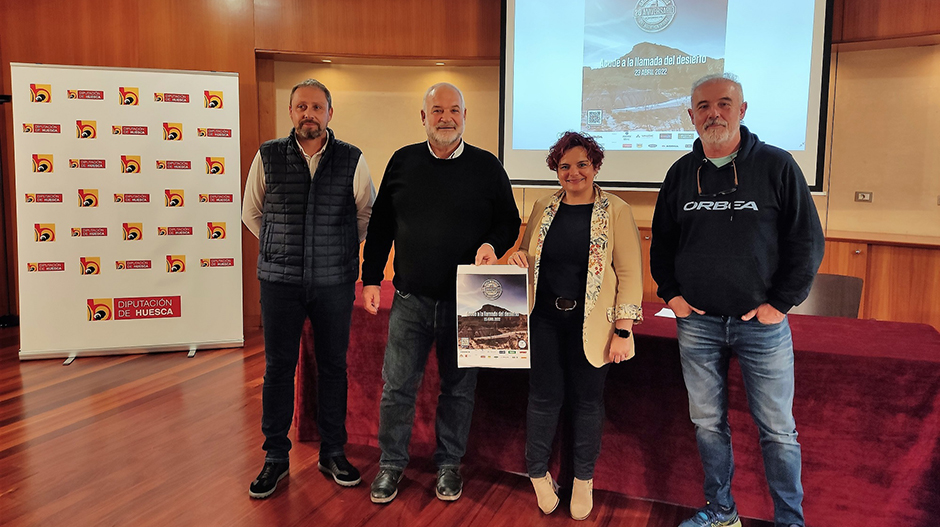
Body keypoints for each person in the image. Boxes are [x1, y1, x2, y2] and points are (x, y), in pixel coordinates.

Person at [650, 74, 824, 527]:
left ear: (742, 111)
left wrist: (780, 304)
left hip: (762, 326)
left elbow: (806, 242)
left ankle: (790, 520)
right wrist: (672, 295)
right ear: (691, 116)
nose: (714, 113)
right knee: (708, 424)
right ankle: (723, 512)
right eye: (703, 107)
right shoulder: (680, 175)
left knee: (778, 430)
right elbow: (662, 245)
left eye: (724, 104)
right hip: (698, 326)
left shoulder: (776, 165)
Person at [360, 82, 521, 504]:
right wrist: (372, 277)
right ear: (423, 116)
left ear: (465, 116)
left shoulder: (487, 166)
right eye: (437, 110)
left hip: (470, 301)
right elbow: (380, 228)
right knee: (397, 388)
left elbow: (508, 221)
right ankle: (390, 465)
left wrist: (492, 244)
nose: (445, 117)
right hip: (410, 300)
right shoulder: (402, 161)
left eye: (454, 110)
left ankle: (449, 464)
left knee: (459, 389)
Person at [242, 78, 376, 499]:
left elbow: (365, 215)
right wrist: (283, 248)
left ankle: (333, 451)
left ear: (330, 113)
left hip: (334, 282)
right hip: (279, 282)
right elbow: (252, 213)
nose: (309, 114)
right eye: (301, 107)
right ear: (291, 112)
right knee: (278, 368)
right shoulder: (267, 156)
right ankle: (275, 457)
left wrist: (332, 250)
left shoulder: (352, 159)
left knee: (334, 367)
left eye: (317, 107)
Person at [507, 131, 643, 520]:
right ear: (556, 170)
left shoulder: (616, 209)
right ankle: (536, 474)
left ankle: (583, 479)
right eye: (565, 166)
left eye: (582, 164)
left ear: (595, 166)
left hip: (594, 326)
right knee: (543, 399)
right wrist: (518, 256)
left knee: (587, 402)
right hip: (544, 320)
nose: (574, 172)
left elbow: (630, 273)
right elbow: (527, 253)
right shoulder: (542, 206)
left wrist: (623, 329)